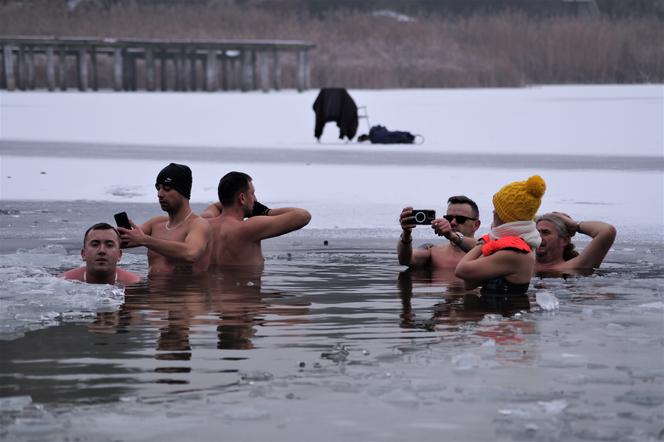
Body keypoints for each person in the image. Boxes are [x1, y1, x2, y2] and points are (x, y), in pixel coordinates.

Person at [455, 175, 546, 310]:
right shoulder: (504, 244)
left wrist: (483, 243)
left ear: (505, 217)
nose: (493, 211)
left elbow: (461, 270)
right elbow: (470, 284)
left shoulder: (516, 252)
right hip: (494, 320)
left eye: (496, 210)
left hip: (509, 325)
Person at [201, 171, 311, 268]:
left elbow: (215, 206)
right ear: (242, 198)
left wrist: (232, 202)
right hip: (245, 290)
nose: (255, 199)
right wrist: (266, 212)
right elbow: (303, 216)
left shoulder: (205, 223)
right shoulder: (250, 227)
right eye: (252, 194)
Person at [119, 163, 212, 274]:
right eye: (158, 188)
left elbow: (191, 253)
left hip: (186, 290)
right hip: (151, 289)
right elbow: (123, 240)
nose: (160, 194)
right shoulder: (155, 224)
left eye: (167, 189)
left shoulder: (199, 225)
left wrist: (145, 240)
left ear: (183, 192)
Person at [398, 195, 481, 269]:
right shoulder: (433, 252)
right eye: (449, 218)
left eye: (460, 219)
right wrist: (406, 234)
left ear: (476, 225)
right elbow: (405, 260)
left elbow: (483, 248)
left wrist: (453, 236)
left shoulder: (485, 253)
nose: (452, 222)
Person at [61, 223, 141, 285]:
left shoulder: (133, 283)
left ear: (119, 255)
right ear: (83, 254)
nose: (102, 251)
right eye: (95, 245)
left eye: (109, 245)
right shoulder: (64, 281)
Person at [535, 212, 616, 273]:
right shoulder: (525, 265)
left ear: (564, 240)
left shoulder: (576, 266)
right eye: (536, 232)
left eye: (545, 232)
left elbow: (606, 231)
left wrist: (574, 225)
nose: (538, 237)